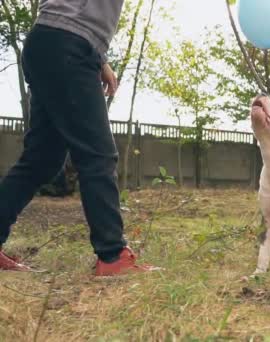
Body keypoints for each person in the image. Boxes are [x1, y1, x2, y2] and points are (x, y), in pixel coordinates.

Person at [0, 0, 158, 276]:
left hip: (52, 40)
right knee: (98, 155)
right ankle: (112, 256)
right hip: (69, 43)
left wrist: (101, 58)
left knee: (41, 160)